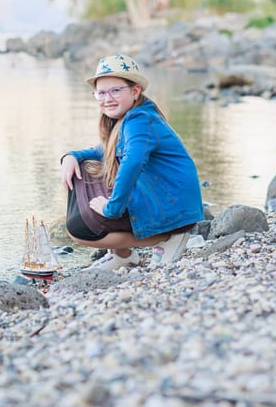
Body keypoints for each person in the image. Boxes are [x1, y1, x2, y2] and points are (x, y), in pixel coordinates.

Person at [60, 54, 204, 270]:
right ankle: (122, 255)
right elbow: (102, 151)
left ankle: (166, 239)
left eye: (115, 91)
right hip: (161, 198)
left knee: (81, 228)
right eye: (101, 93)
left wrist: (111, 209)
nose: (107, 98)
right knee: (83, 167)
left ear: (135, 91)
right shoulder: (127, 119)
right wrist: (71, 156)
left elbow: (132, 164)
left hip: (173, 206)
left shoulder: (140, 120)